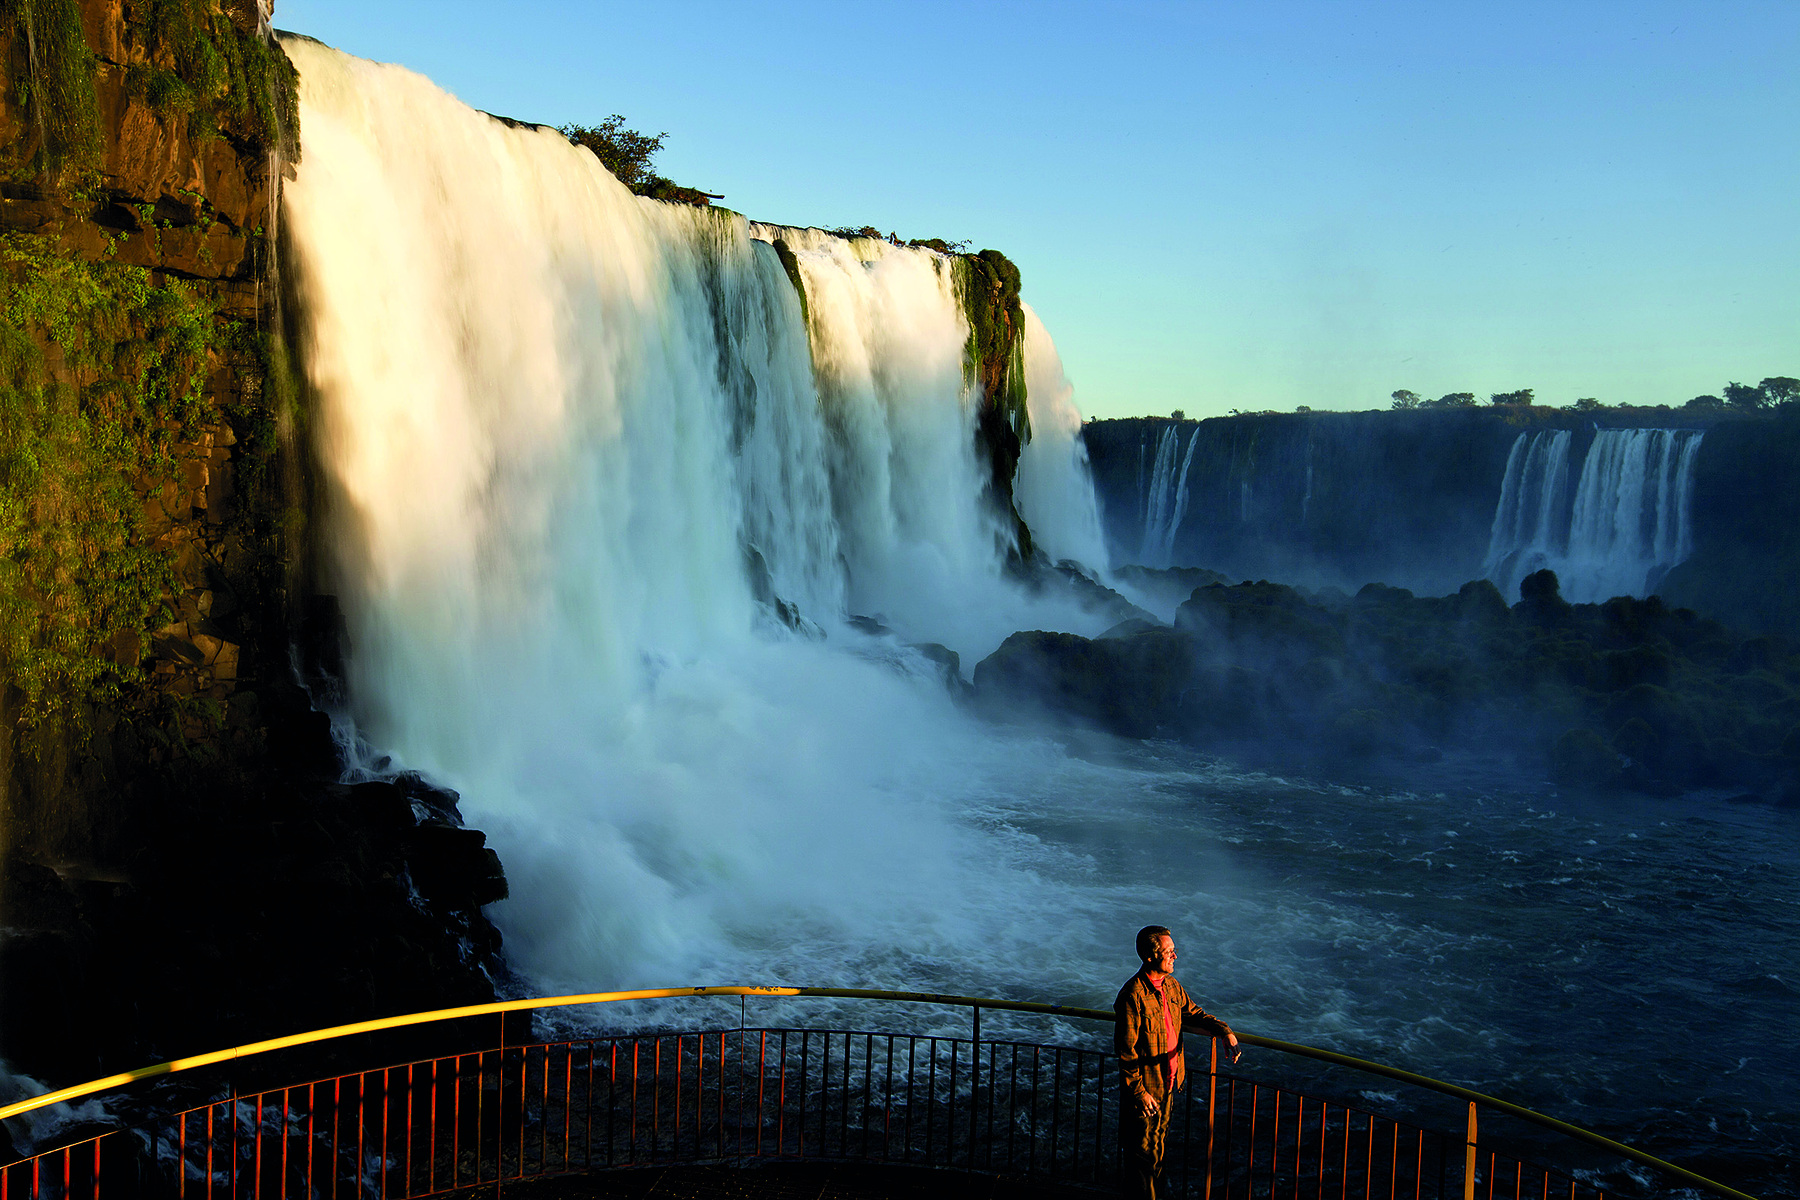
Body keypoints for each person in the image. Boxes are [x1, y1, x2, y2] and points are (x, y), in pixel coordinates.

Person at [1114, 925, 1239, 1199]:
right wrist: (1138, 1092)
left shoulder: (1171, 986)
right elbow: (1126, 1052)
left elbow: (1194, 1013)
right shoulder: (1132, 995)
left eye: (1174, 951)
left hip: (1168, 1087)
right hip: (1146, 1093)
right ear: (1150, 956)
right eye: (1169, 951)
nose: (1175, 957)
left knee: (1155, 1155)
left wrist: (1223, 1030)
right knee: (1142, 1159)